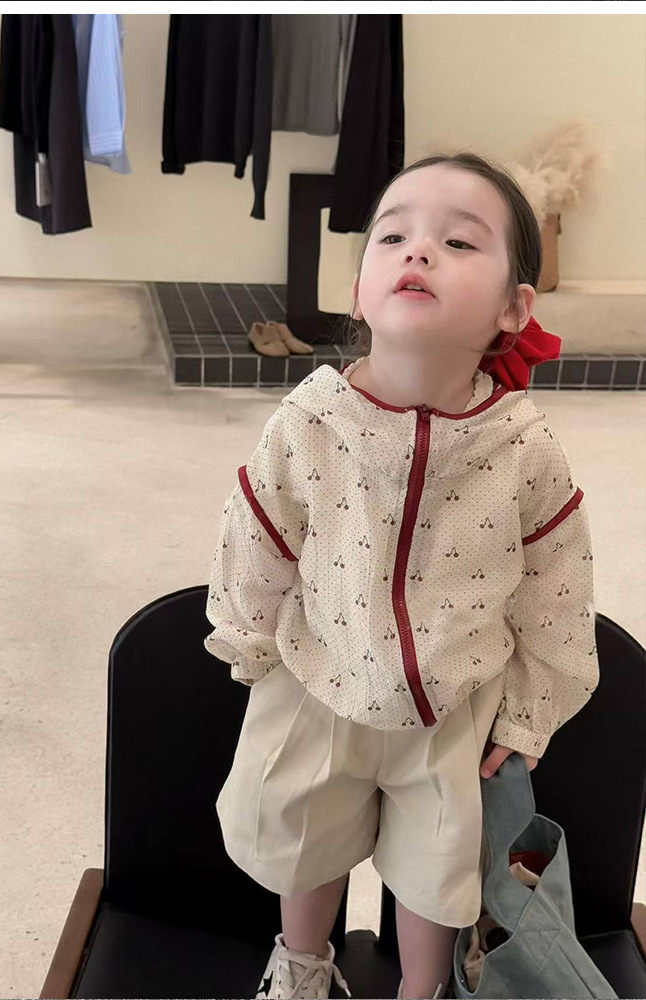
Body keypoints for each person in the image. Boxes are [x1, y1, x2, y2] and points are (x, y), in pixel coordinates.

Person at [203, 152, 599, 1000]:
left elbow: (557, 586)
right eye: (392, 236)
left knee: (436, 871)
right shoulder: (310, 420)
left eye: (458, 241)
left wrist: (533, 708)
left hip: (455, 706)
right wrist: (246, 640)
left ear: (513, 308)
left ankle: (421, 992)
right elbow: (259, 531)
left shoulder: (524, 447)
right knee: (302, 842)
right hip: (320, 678)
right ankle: (302, 967)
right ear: (359, 291)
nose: (418, 250)